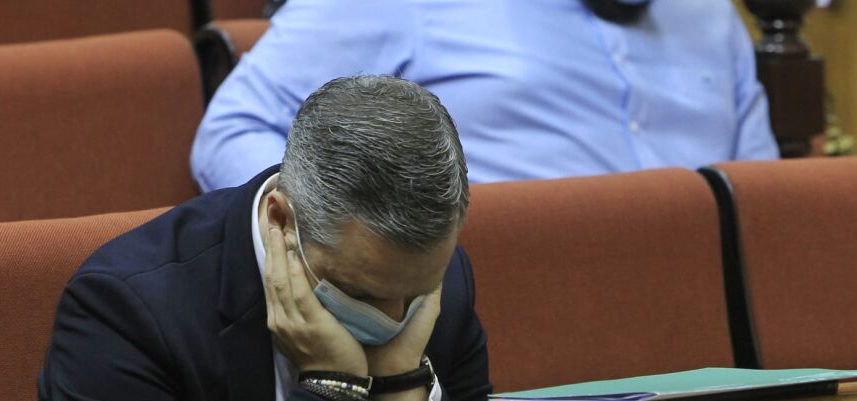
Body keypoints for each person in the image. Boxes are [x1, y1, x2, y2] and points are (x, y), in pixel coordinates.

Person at [28, 75, 491, 401]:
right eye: (361, 294)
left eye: (415, 295)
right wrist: (331, 389)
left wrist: (400, 384)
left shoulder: (436, 276)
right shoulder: (124, 313)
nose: (394, 318)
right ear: (281, 220)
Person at [191, 0, 779, 192]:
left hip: (706, 324)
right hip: (495, 316)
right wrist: (346, 248)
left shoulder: (712, 15)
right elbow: (232, 131)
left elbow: (759, 194)